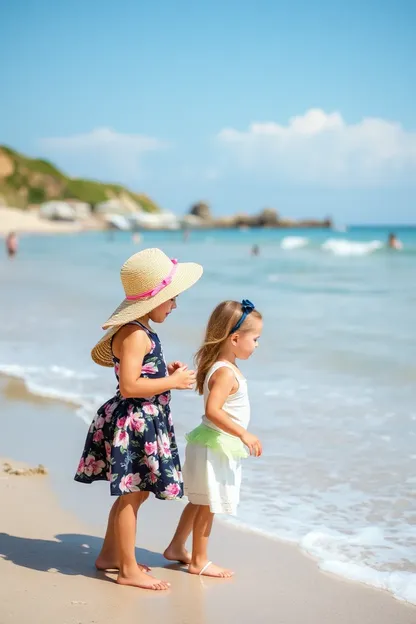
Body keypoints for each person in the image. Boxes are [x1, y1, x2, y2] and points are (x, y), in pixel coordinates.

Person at [74, 248, 203, 590]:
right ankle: (127, 569)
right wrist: (173, 382)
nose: (174, 306)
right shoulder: (134, 334)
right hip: (135, 422)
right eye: (171, 300)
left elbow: (143, 375)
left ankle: (110, 556)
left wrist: (165, 372)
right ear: (153, 299)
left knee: (136, 493)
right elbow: (130, 385)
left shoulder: (141, 331)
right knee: (131, 493)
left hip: (145, 418)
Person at [164, 299, 263, 578]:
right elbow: (212, 410)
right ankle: (199, 561)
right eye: (255, 339)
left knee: (199, 501)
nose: (257, 345)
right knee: (209, 504)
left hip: (209, 443)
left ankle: (176, 547)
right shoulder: (224, 372)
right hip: (215, 445)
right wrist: (243, 433)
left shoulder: (222, 366)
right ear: (235, 338)